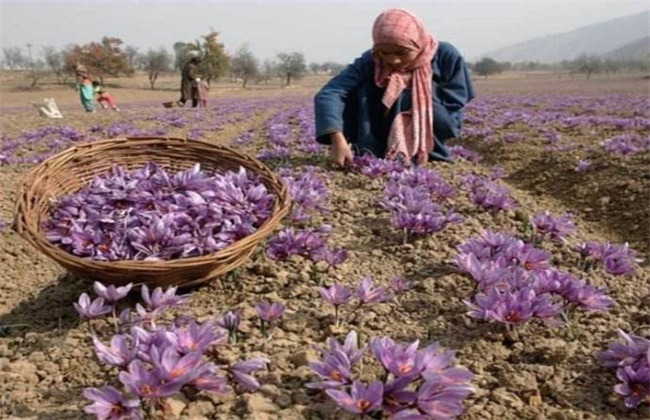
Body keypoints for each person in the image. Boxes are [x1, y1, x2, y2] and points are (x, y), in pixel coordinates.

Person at [314, 8, 475, 167]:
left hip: (435, 120)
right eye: (384, 53)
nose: (393, 60)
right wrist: (336, 137)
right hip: (380, 124)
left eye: (402, 52)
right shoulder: (372, 60)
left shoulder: (444, 54)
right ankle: (371, 148)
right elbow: (331, 92)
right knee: (361, 89)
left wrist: (413, 98)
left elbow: (455, 100)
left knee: (404, 91)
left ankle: (426, 151)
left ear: (418, 43)